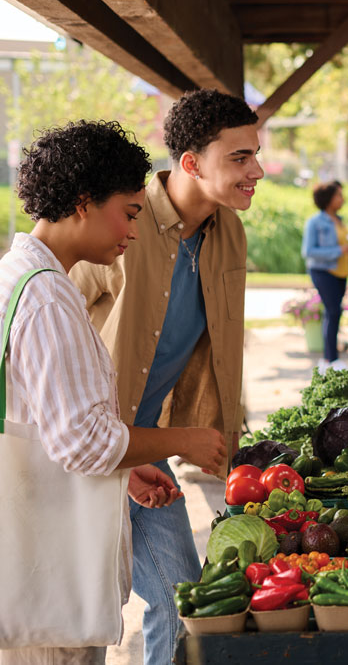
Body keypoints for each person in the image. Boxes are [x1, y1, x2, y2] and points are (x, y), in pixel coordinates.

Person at [0, 121, 225, 664]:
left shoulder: (17, 274)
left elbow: (51, 425)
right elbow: (84, 441)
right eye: (127, 212)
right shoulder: (50, 298)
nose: (133, 230)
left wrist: (125, 469)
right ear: (83, 202)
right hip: (51, 577)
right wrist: (186, 440)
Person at [68, 89, 262, 665]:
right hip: (81, 457)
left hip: (146, 448)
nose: (256, 170)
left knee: (186, 605)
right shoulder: (116, 223)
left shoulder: (229, 230)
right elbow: (47, 342)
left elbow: (220, 351)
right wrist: (114, 458)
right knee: (82, 621)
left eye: (256, 154)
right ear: (192, 163)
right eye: (240, 158)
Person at [302, 181, 348, 370]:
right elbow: (308, 251)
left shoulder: (339, 220)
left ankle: (331, 358)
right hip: (323, 272)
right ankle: (330, 359)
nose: (342, 199)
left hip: (341, 272)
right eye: (339, 195)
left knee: (334, 313)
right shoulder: (315, 222)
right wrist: (340, 250)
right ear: (328, 199)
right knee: (333, 311)